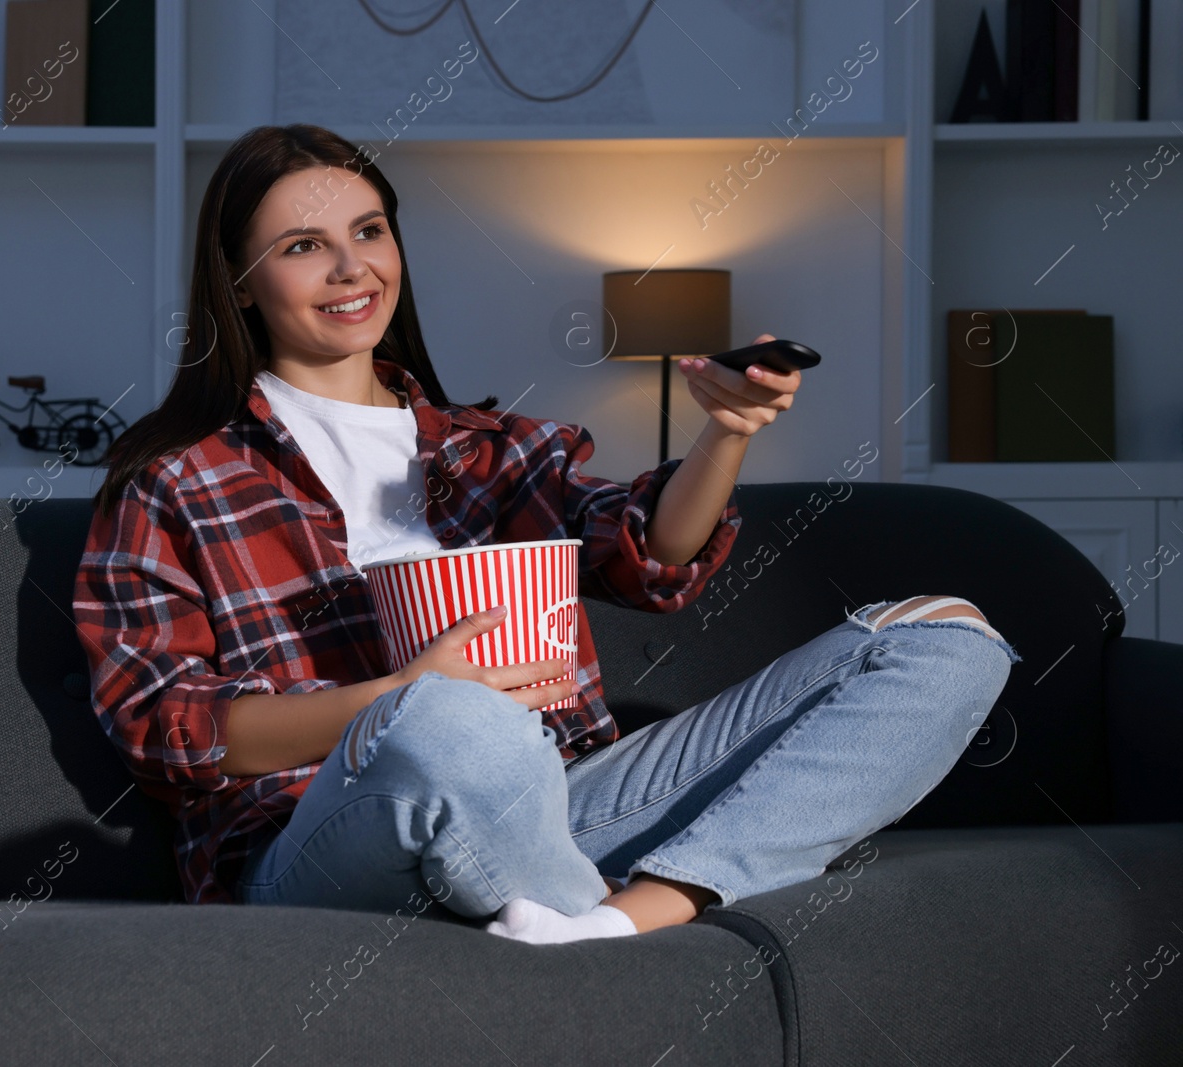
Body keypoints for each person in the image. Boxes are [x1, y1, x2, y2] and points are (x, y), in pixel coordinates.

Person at [73, 123, 1022, 945]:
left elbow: (650, 554)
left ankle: (624, 920)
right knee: (453, 723)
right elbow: (166, 725)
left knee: (943, 635)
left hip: (560, 808)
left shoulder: (494, 452)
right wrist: (398, 696)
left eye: (369, 231)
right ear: (240, 284)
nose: (352, 267)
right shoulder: (174, 480)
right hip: (322, 844)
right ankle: (600, 930)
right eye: (303, 246)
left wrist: (725, 431)